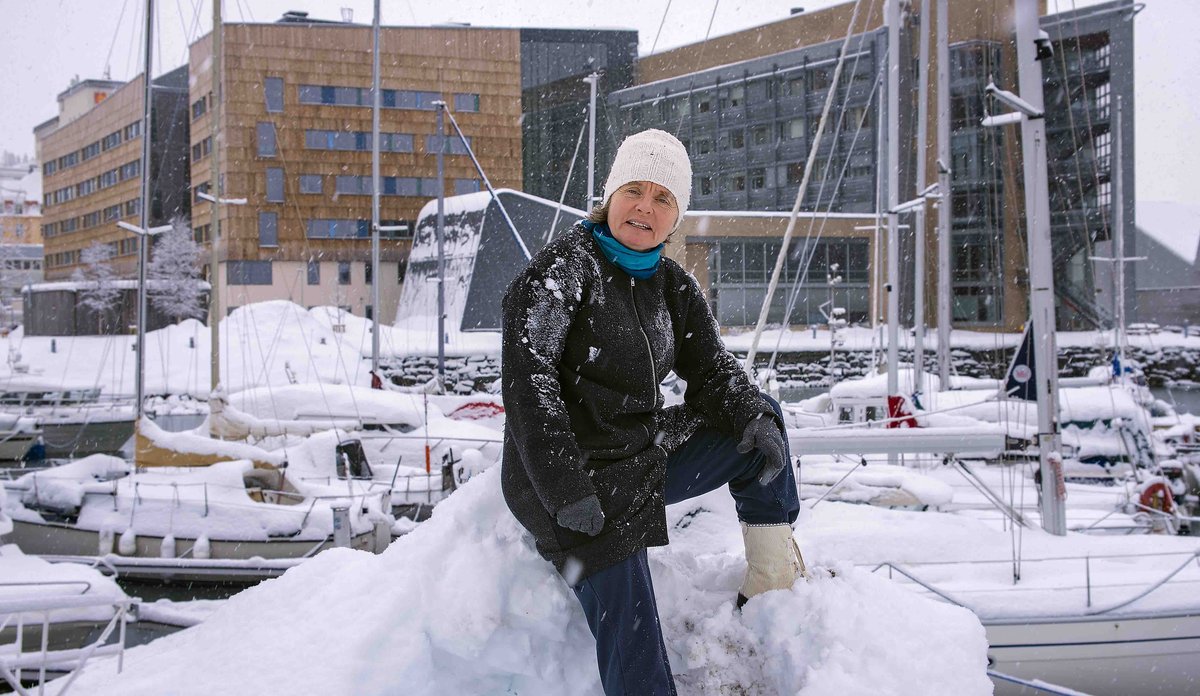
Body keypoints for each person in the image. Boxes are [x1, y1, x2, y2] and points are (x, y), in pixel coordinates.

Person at [501, 128, 807, 695]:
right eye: (634, 190)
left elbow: (713, 372)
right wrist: (566, 491)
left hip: (639, 457)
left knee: (758, 418)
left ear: (676, 215)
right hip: (571, 482)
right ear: (610, 197)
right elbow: (529, 390)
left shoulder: (672, 286)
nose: (645, 207)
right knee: (634, 637)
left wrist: (750, 416)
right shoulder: (559, 273)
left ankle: (771, 579)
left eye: (663, 197)